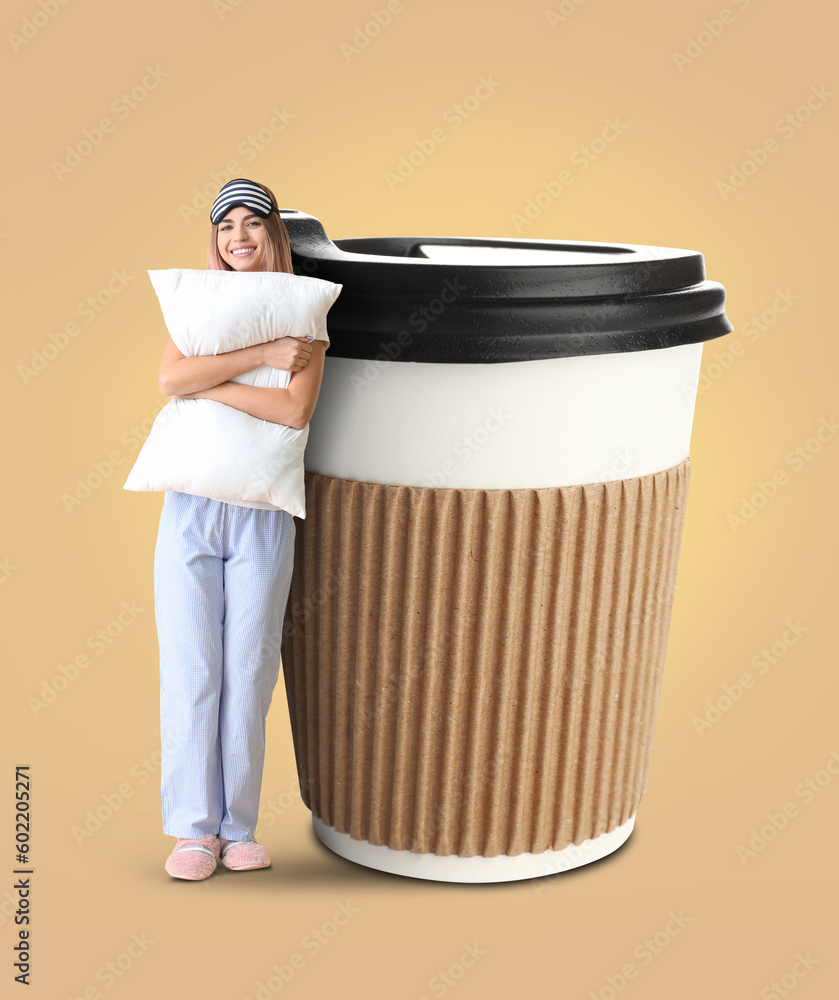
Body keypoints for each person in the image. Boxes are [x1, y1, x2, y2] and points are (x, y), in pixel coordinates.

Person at [153, 178, 329, 880]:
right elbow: (170, 381)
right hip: (191, 506)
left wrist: (207, 382)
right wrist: (247, 367)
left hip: (261, 513)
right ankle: (192, 831)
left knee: (247, 667)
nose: (239, 236)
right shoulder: (194, 308)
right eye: (226, 225)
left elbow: (293, 412)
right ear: (215, 240)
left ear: (274, 234)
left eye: (253, 222)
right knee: (193, 665)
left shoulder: (307, 313)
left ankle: (237, 826)